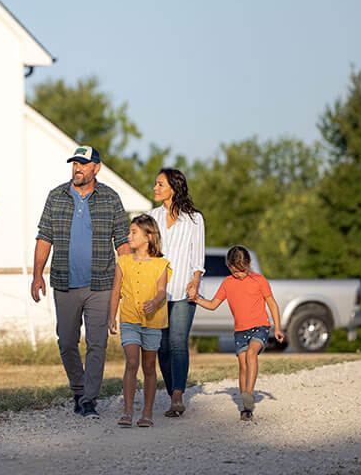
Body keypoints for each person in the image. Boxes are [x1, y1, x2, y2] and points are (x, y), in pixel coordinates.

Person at [31, 145, 131, 419]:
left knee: (97, 344)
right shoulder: (57, 196)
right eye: (75, 163)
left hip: (101, 284)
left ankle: (88, 400)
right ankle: (78, 388)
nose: (77, 168)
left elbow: (122, 242)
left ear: (96, 168)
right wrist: (37, 274)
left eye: (83, 164)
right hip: (64, 282)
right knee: (66, 341)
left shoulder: (111, 198)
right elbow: (44, 237)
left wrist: (129, 280)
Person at [193, 245, 284, 420]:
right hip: (240, 331)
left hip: (261, 326)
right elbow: (212, 305)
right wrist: (197, 299)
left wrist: (277, 328)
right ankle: (245, 408)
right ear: (229, 267)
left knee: (251, 354)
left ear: (249, 264)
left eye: (242, 271)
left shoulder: (259, 280)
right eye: (235, 272)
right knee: (242, 366)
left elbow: (272, 303)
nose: (239, 275)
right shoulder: (227, 283)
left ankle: (249, 394)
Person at [145, 168, 205, 417]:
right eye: (155, 184)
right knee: (162, 346)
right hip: (157, 292)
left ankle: (178, 396)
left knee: (178, 343)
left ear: (173, 188)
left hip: (182, 290)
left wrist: (195, 281)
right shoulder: (150, 217)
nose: (155, 188)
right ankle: (172, 394)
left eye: (160, 184)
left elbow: (197, 255)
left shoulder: (194, 219)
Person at [109, 215, 172, 428]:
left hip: (153, 322)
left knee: (149, 366)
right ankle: (127, 411)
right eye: (129, 232)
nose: (129, 236)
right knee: (132, 362)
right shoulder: (123, 262)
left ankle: (147, 412)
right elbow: (116, 291)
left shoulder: (160, 264)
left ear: (149, 236)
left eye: (134, 232)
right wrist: (112, 317)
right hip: (129, 320)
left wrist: (154, 302)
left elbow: (162, 290)